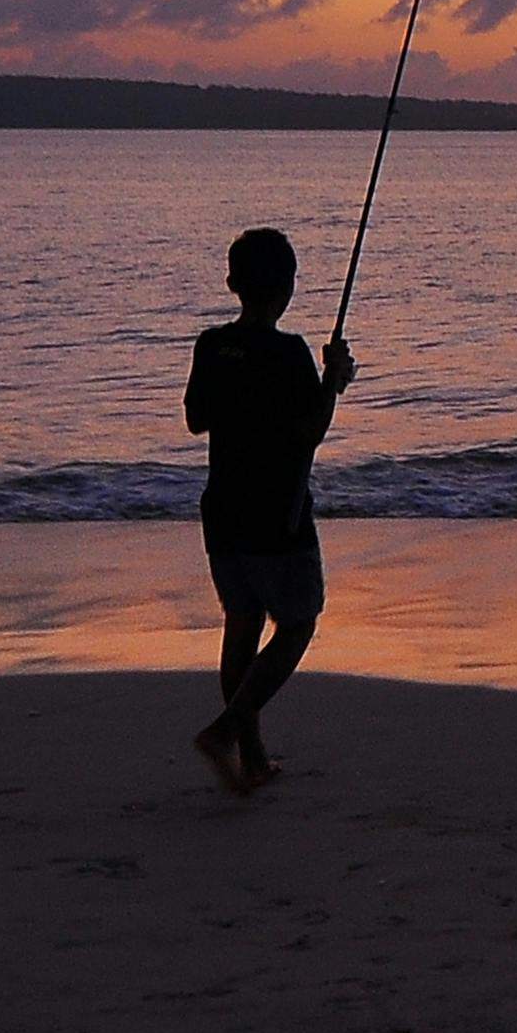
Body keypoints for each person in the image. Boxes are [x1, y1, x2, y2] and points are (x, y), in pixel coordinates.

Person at [183, 226, 353, 793]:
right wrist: (331, 384)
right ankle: (229, 731)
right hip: (277, 514)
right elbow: (309, 433)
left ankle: (252, 760)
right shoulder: (287, 353)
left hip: (223, 513)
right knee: (298, 623)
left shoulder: (211, 346)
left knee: (243, 623)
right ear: (287, 288)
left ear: (233, 283)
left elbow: (196, 418)